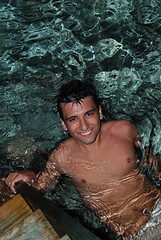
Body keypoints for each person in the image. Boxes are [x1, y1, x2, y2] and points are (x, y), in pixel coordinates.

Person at [6, 80, 161, 239]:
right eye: (73, 119)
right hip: (134, 234)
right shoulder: (62, 157)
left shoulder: (124, 130)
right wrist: (30, 175)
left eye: (89, 114)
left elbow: (152, 162)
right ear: (64, 124)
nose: (84, 126)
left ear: (99, 112)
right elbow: (41, 187)